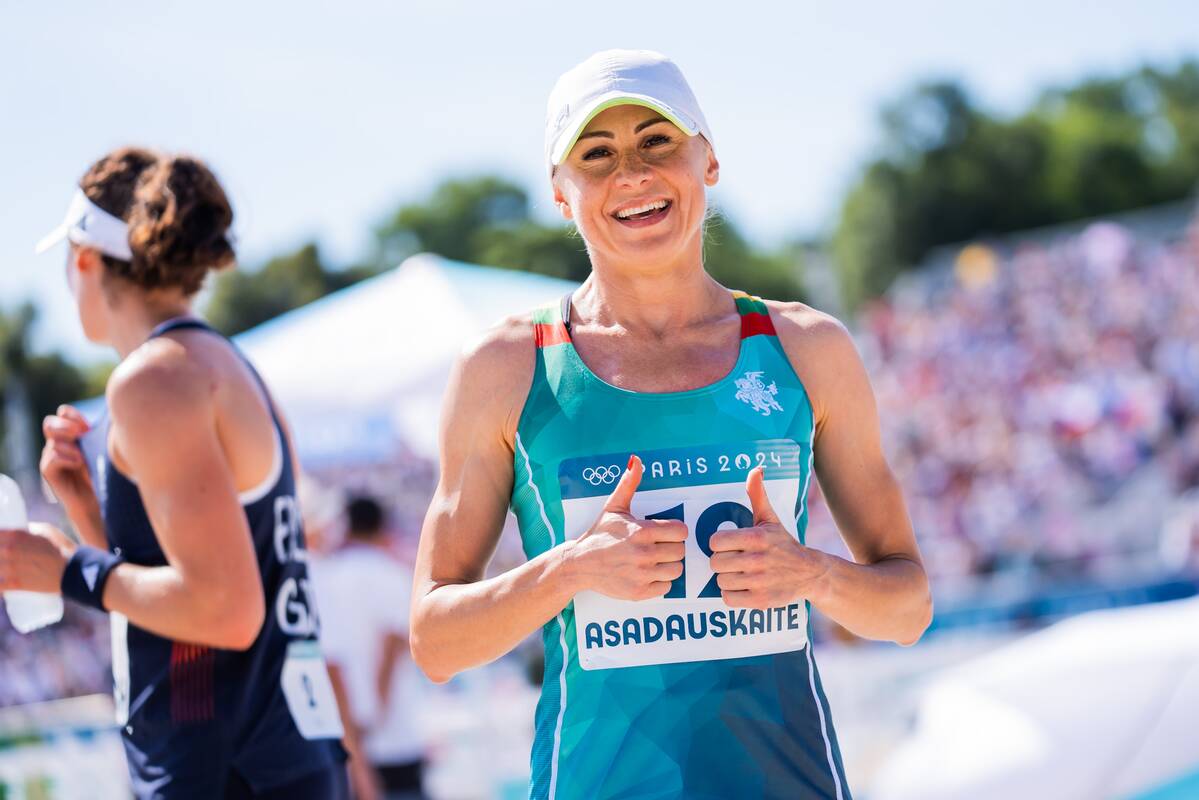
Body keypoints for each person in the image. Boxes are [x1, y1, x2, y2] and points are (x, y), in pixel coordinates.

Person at [410, 50, 933, 799]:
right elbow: (435, 642)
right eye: (597, 154)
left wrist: (810, 574)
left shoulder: (807, 348)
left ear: (708, 161)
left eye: (657, 141)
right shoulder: (505, 366)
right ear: (560, 194)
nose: (632, 173)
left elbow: (908, 609)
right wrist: (572, 570)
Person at [0, 148, 348, 798]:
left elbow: (227, 610)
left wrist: (68, 569)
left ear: (85, 259)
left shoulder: (154, 378)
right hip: (278, 754)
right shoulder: (229, 366)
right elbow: (193, 587)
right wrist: (86, 506)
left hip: (223, 766)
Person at [314, 495, 427, 800]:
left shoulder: (327, 575)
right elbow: (393, 647)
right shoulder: (393, 574)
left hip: (341, 737)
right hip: (393, 736)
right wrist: (376, 712)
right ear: (381, 527)